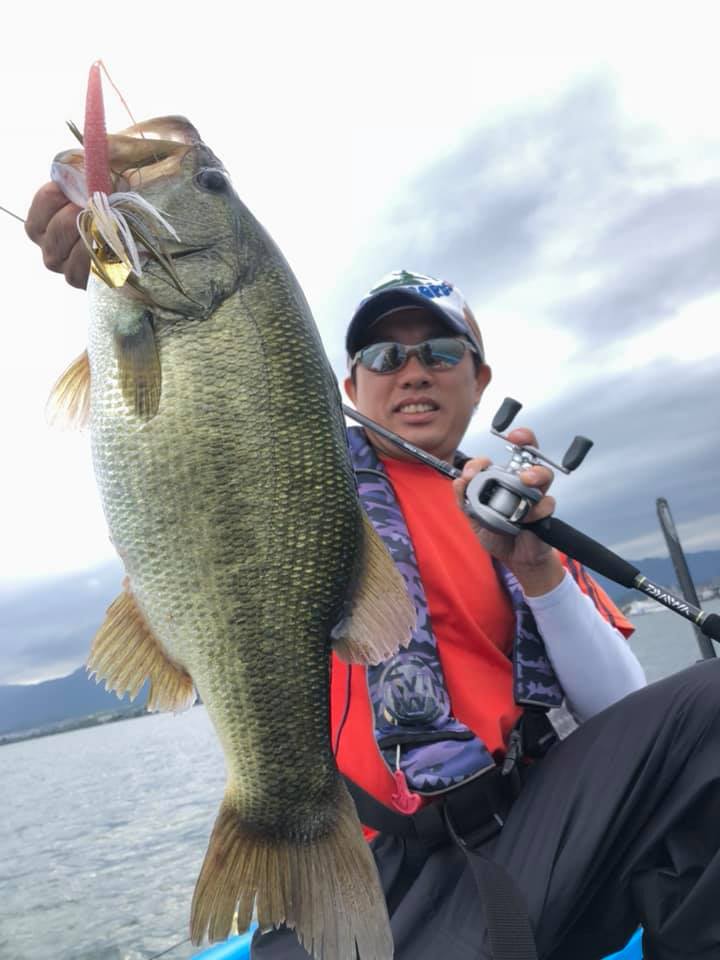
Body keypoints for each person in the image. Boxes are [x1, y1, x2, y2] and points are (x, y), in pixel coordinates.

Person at [26, 190, 720, 960]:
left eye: (441, 352)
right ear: (349, 387)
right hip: (372, 860)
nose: (413, 371)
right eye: (385, 356)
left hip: (535, 830)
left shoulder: (508, 511)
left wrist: (536, 567)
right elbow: (193, 417)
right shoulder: (300, 480)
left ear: (480, 377)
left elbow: (627, 714)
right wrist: (116, 267)